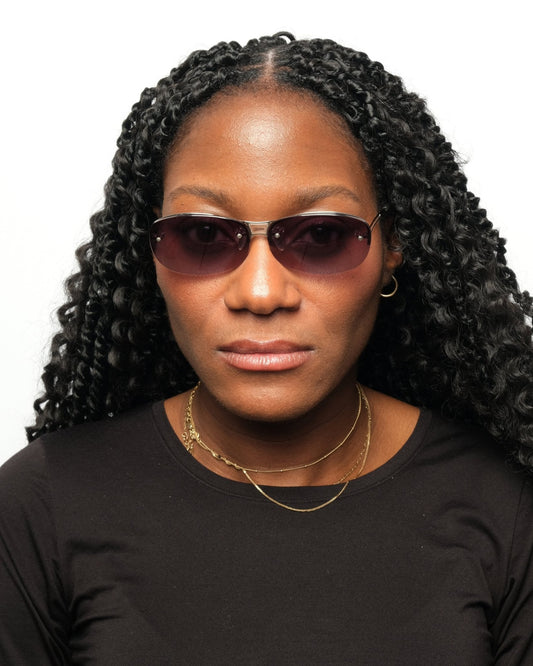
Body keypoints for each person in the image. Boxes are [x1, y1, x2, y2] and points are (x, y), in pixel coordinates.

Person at [1, 32, 532, 664]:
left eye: (322, 236)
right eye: (203, 235)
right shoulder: (44, 504)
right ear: (150, 254)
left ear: (393, 247)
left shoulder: (505, 506)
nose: (260, 292)